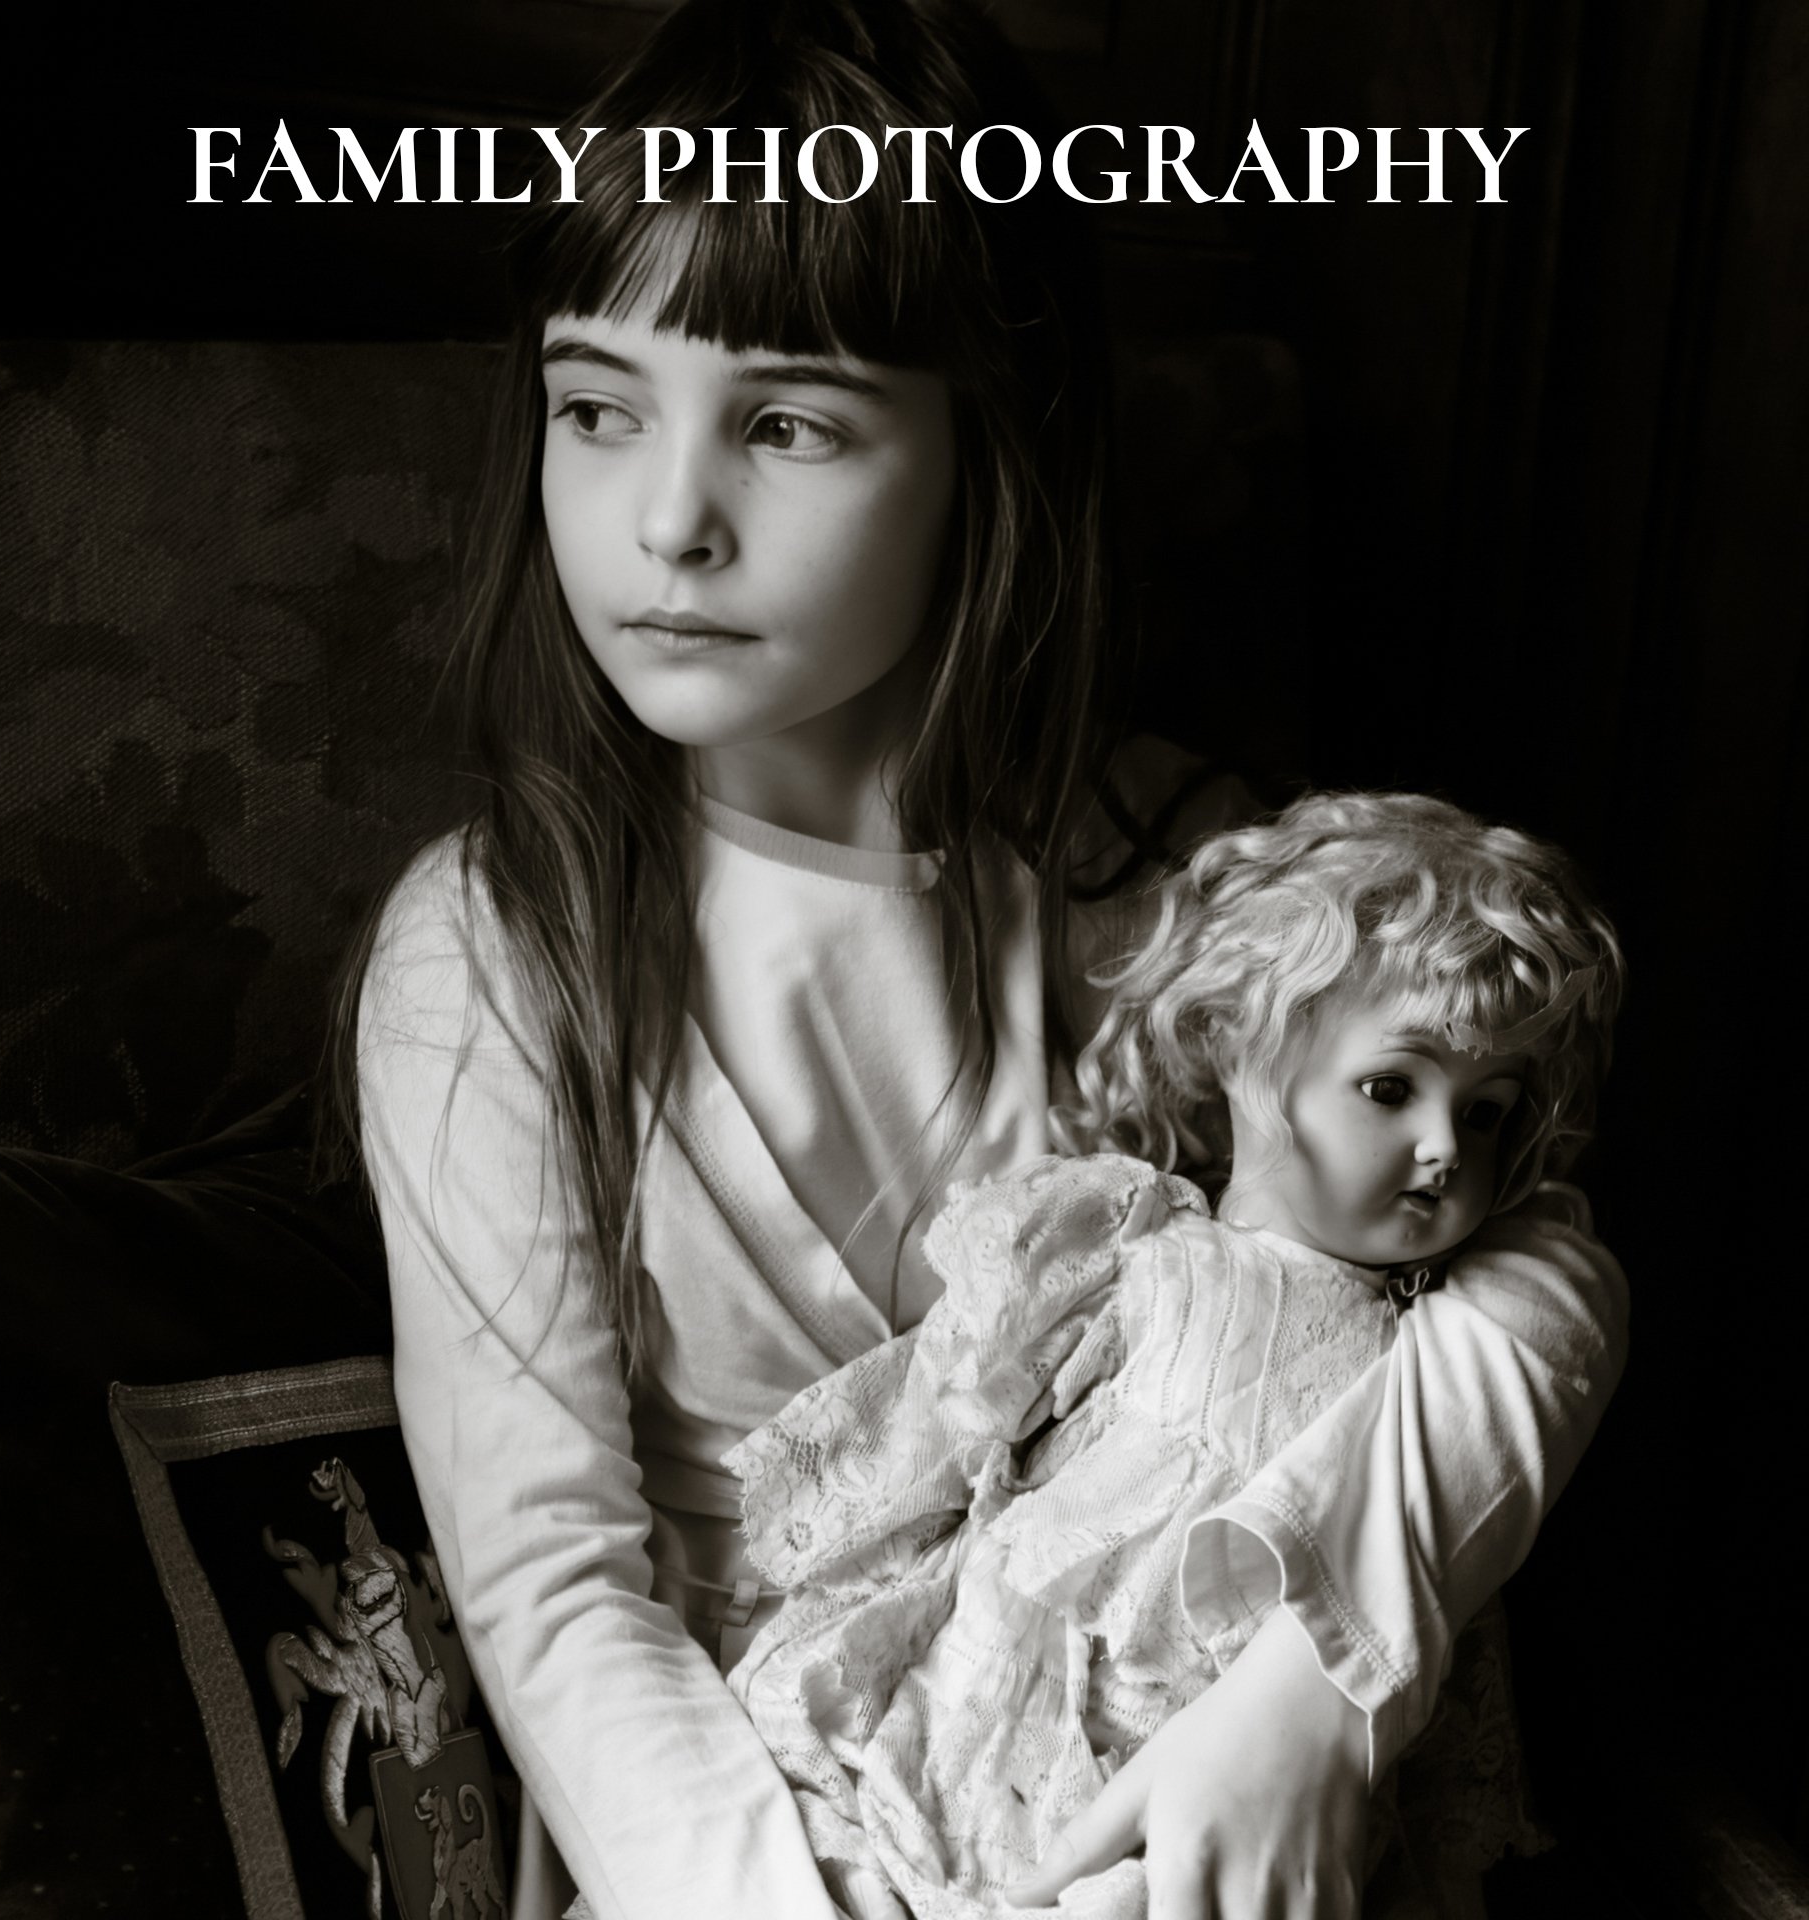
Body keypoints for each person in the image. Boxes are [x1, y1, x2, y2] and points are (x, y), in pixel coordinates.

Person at [342, 2, 1628, 1914]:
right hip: (760, 1824)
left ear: (981, 451)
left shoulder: (1187, 881)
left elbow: (1537, 1268)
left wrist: (1326, 1677)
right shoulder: (500, 945)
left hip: (1165, 1796)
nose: (667, 519)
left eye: (784, 424)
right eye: (598, 407)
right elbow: (555, 1581)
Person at [723, 791, 1626, 1919]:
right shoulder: (1135, 1243)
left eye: (1487, 1112)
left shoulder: (1456, 1330)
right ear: (1239, 1051)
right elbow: (954, 1430)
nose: (1445, 1149)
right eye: (1392, 1089)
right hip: (1031, 1709)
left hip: (1261, 1782)